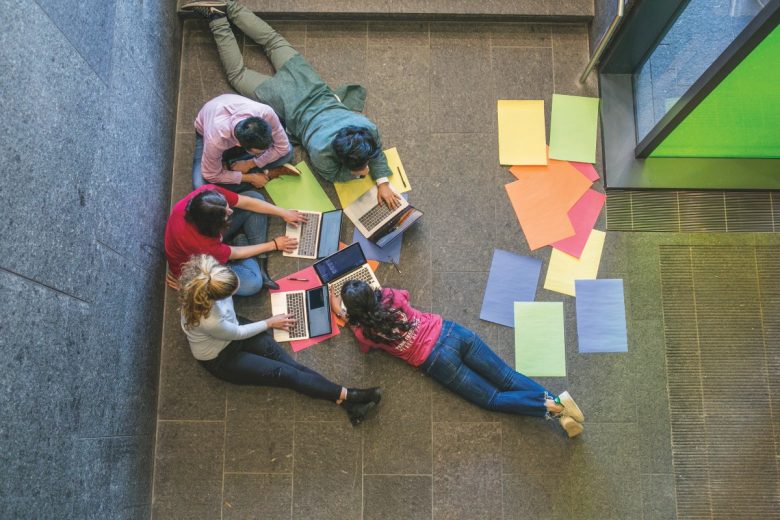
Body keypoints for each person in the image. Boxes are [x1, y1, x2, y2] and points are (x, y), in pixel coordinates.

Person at [181, 0, 402, 209]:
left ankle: (229, 6)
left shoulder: (366, 126)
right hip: (283, 99)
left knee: (273, 41)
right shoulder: (320, 149)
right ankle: (217, 18)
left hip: (308, 81)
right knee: (238, 75)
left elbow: (375, 151)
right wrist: (360, 173)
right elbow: (333, 175)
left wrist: (382, 181)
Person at [331, 281, 586, 437]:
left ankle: (552, 407)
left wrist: (342, 312)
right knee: (507, 376)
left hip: (436, 360)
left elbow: (365, 348)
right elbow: (405, 295)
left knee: (492, 399)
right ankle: (559, 407)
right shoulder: (390, 296)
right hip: (452, 332)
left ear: (354, 311)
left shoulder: (363, 332)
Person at [178, 255, 382, 425]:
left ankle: (348, 404)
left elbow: (236, 329)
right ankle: (350, 395)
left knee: (291, 367)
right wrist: (269, 322)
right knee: (286, 375)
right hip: (222, 357)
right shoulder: (209, 320)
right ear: (215, 297)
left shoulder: (210, 279)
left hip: (235, 329)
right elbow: (237, 334)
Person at [164, 184, 306, 295]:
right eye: (226, 215)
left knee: (255, 197)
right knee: (253, 284)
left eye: (227, 206)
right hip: (202, 267)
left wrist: (283, 212)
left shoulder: (208, 194)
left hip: (214, 243)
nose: (231, 212)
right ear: (214, 225)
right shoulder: (201, 244)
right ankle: (250, 250)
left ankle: (256, 257)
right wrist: (274, 244)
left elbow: (245, 201)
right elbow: (235, 253)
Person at [192, 93, 299, 192]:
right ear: (239, 145)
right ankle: (266, 175)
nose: (262, 153)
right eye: (257, 153)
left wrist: (250, 163)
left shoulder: (266, 113)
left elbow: (283, 147)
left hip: (235, 138)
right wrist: (250, 178)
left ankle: (231, 167)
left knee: (287, 151)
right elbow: (210, 174)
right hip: (206, 136)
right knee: (201, 188)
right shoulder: (215, 140)